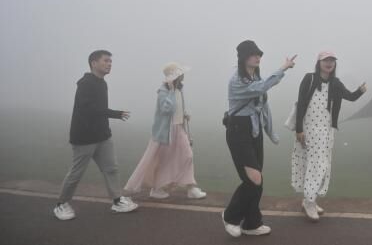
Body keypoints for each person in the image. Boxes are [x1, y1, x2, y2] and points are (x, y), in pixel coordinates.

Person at [221, 40, 297, 237]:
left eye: (259, 54)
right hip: (238, 130)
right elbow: (262, 88)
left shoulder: (255, 77)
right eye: (253, 54)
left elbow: (263, 106)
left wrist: (270, 132)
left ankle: (252, 223)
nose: (258, 57)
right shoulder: (237, 80)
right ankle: (230, 216)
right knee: (253, 178)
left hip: (254, 131)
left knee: (257, 180)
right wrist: (283, 68)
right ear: (243, 57)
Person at [53, 50, 138, 220]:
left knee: (111, 168)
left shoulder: (102, 83)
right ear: (94, 63)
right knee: (76, 173)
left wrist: (107, 126)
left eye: (110, 61)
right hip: (84, 137)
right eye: (106, 60)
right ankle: (61, 204)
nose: (109, 64)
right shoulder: (85, 84)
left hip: (103, 136)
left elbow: (98, 110)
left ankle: (117, 201)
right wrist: (115, 114)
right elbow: (89, 109)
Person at [291, 51, 367, 222]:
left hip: (326, 131)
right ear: (319, 63)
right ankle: (309, 202)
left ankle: (309, 200)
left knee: (321, 166)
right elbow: (301, 103)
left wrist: (360, 90)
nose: (329, 63)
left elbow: (350, 97)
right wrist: (299, 129)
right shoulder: (309, 79)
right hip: (308, 130)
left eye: (332, 60)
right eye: (326, 60)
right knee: (313, 165)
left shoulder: (336, 83)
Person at [123, 62, 207, 200]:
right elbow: (167, 109)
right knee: (165, 161)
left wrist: (184, 113)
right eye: (180, 73)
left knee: (188, 156)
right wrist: (171, 91)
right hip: (166, 132)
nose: (183, 75)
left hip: (179, 129)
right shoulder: (163, 91)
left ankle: (191, 187)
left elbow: (178, 108)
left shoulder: (180, 89)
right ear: (175, 76)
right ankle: (157, 189)